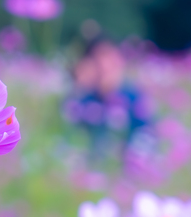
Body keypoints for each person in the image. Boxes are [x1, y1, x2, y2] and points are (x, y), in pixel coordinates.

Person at [62, 35, 153, 165]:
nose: (105, 65)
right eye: (98, 59)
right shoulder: (85, 100)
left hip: (126, 169)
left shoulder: (134, 98)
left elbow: (147, 136)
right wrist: (78, 84)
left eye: (109, 57)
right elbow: (69, 137)